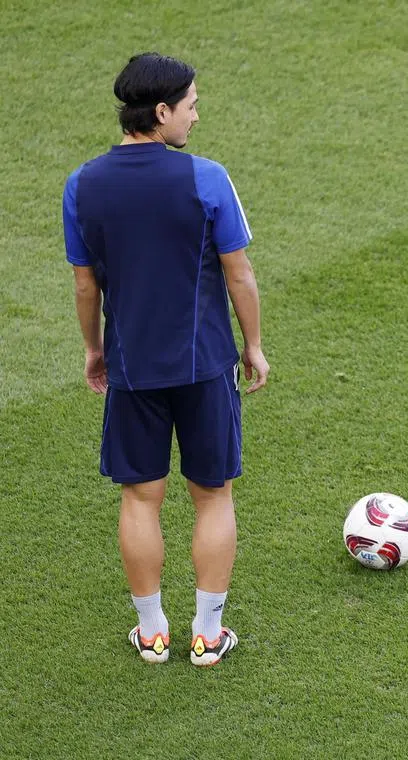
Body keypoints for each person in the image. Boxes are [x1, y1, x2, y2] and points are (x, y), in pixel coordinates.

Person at [63, 53, 268, 666]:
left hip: (131, 367)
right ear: (160, 112)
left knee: (140, 497)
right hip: (206, 366)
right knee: (212, 495)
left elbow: (85, 286)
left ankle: (152, 633)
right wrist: (252, 346)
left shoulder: (83, 184)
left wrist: (95, 351)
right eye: (192, 105)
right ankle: (207, 635)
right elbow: (240, 274)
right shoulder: (206, 178)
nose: (196, 116)